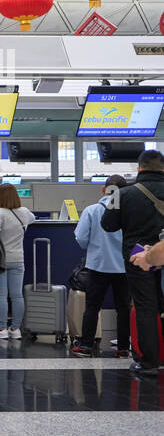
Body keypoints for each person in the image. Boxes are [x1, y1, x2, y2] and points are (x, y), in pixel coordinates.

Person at [104, 149, 164, 376]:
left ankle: (148, 363)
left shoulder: (122, 194)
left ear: (139, 168)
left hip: (138, 257)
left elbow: (108, 225)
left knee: (145, 307)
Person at [73, 176, 130, 358]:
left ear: (103, 190)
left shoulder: (92, 211)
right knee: (123, 308)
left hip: (98, 266)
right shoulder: (129, 212)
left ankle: (86, 346)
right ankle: (123, 347)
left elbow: (81, 239)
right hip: (123, 267)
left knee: (92, 306)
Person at [0, 182, 35, 340]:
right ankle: (15, 329)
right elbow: (32, 219)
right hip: (18, 259)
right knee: (17, 295)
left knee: (1, 295)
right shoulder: (24, 212)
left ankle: (2, 329)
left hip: (0, 259)